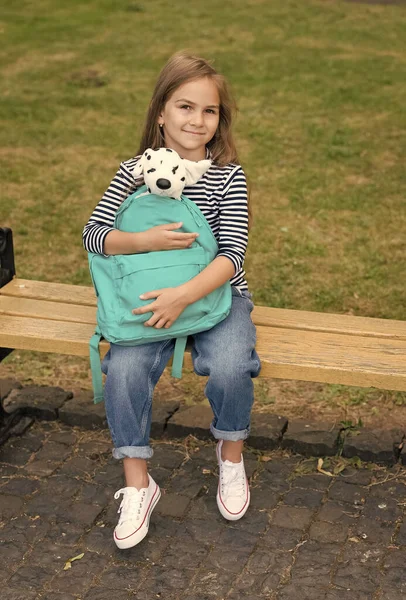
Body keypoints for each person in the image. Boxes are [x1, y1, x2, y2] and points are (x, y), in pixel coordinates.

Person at [82, 51, 261, 550]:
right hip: (147, 300)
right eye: (185, 107)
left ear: (219, 120)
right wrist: (144, 242)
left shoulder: (228, 176)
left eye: (209, 111)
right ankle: (139, 482)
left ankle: (230, 457)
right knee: (124, 368)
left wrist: (184, 294)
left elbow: (232, 255)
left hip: (215, 296)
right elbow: (94, 235)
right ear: (161, 112)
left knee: (229, 363)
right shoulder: (134, 172)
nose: (196, 120)